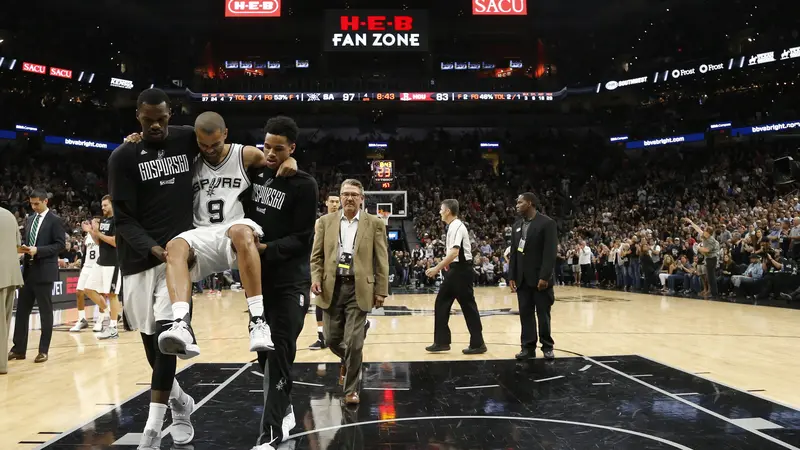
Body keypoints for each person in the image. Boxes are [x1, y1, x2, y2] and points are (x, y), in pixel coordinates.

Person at [125, 111, 297, 359]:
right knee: (174, 246)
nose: (209, 150)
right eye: (203, 145)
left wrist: (291, 162)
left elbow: (275, 160)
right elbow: (160, 141)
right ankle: (181, 324)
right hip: (201, 234)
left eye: (215, 144)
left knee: (241, 230)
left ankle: (258, 321)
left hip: (233, 231)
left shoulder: (245, 154)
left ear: (225, 134)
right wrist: (137, 138)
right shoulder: (189, 158)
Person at [108, 88, 197, 449]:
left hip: (175, 259)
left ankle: (154, 427)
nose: (156, 125)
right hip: (138, 260)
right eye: (149, 120)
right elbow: (123, 220)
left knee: (167, 341)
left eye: (161, 118)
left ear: (170, 113)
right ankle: (181, 400)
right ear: (138, 118)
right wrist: (153, 249)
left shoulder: (188, 138)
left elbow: (226, 147)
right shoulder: (123, 157)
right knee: (150, 345)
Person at [244, 116, 319, 449]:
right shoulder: (253, 174)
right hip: (258, 285)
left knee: (278, 353)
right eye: (267, 146)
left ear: (292, 148)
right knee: (265, 358)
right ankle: (285, 408)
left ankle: (270, 434)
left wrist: (266, 249)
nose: (271, 153)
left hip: (291, 282)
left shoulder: (304, 185)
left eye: (279, 149)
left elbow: (303, 238)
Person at [310, 179, 389, 405]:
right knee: (330, 338)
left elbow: (381, 259)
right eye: (345, 194)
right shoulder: (324, 222)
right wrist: (316, 278)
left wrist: (381, 290)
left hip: (359, 287)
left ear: (362, 198)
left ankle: (351, 390)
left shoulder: (374, 223)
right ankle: (349, 361)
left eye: (354, 194)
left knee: (354, 342)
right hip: (331, 287)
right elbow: (316, 257)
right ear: (340, 197)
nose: (349, 198)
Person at [9, 189, 66, 364]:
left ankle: (43, 350)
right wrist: (23, 250)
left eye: (36, 203)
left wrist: (38, 250)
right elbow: (30, 242)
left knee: (45, 312)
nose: (33, 207)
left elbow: (60, 245)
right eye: (31, 203)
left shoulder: (55, 221)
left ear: (45, 201)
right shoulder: (30, 219)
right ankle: (18, 349)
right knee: (21, 312)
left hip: (44, 271)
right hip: (28, 271)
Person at [424, 199, 486, 355]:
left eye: (441, 209)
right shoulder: (452, 226)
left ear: (447, 211)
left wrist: (436, 268)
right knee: (443, 303)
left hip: (461, 271)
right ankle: (442, 341)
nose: (439, 212)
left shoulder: (457, 226)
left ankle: (477, 343)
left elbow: (454, 252)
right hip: (456, 270)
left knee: (467, 306)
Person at [507, 192, 557, 360]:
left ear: (529, 203)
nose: (517, 205)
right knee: (525, 315)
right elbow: (514, 252)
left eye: (519, 202)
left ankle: (547, 346)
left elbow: (549, 253)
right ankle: (527, 347)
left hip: (540, 279)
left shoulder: (547, 223)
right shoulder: (516, 226)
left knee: (543, 314)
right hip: (522, 279)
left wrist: (545, 276)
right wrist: (511, 276)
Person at [84, 196, 123, 339]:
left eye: (105, 205)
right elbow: (99, 242)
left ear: (112, 205)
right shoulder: (105, 220)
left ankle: (113, 327)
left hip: (114, 262)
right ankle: (110, 313)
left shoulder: (117, 220)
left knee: (112, 294)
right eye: (102, 205)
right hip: (101, 261)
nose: (103, 208)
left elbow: (115, 242)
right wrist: (91, 231)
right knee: (88, 289)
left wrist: (98, 233)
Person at [308, 193, 340, 350]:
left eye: (336, 201)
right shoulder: (320, 222)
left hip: (342, 270)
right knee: (319, 303)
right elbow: (316, 249)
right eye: (332, 201)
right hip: (324, 269)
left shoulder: (346, 221)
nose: (334, 204)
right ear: (326, 203)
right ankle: (321, 337)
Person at [70, 217, 110, 332]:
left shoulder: (101, 234)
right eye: (91, 222)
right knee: (79, 292)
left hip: (99, 266)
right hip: (87, 266)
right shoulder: (88, 235)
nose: (91, 223)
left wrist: (89, 230)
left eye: (95, 222)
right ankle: (82, 319)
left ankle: (101, 320)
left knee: (100, 293)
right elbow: (86, 252)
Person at [0, 206, 23, 374]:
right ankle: (1, 364)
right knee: (4, 322)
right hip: (11, 274)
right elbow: (17, 245)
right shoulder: (8, 215)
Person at [683, 218, 720, 298]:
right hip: (708, 258)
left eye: (705, 231)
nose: (703, 232)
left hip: (712, 259)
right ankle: (713, 293)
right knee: (709, 277)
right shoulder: (705, 235)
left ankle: (713, 293)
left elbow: (706, 250)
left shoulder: (711, 241)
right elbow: (698, 229)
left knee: (711, 277)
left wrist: (697, 247)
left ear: (709, 233)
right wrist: (691, 222)